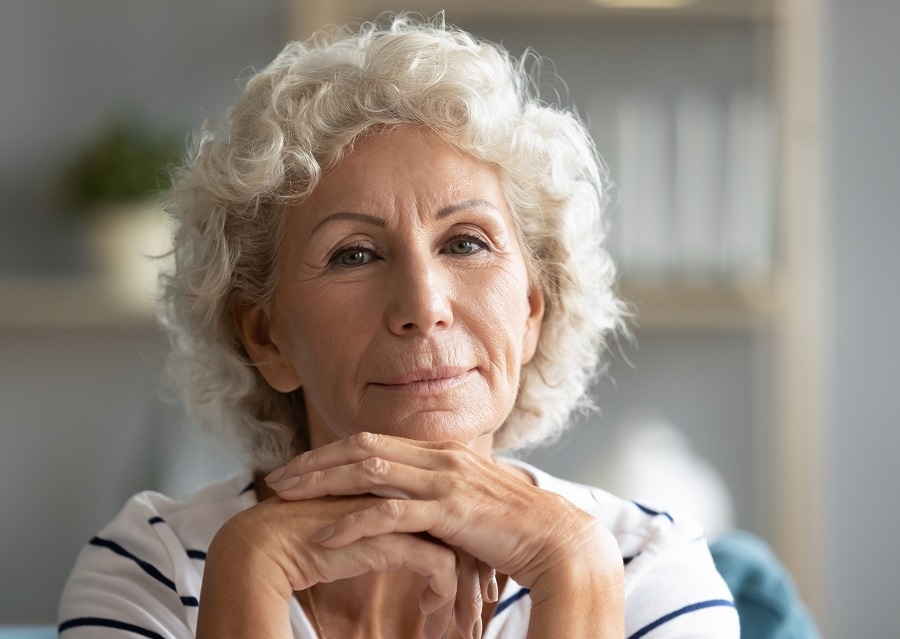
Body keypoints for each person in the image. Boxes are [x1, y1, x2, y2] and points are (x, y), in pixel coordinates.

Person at [58, 14, 739, 639]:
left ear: (533, 307)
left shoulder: (645, 568)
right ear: (267, 337)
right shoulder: (155, 567)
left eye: (466, 242)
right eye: (354, 254)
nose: (423, 303)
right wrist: (248, 570)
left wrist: (573, 572)